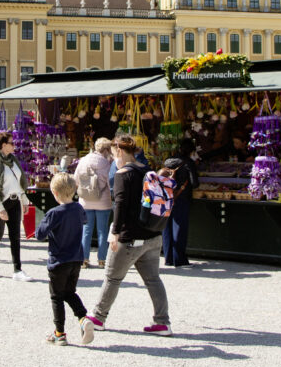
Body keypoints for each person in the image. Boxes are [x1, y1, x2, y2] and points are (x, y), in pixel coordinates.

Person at [85, 134, 172, 337]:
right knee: (153, 280)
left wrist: (114, 232)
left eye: (114, 154)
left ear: (121, 151)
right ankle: (163, 322)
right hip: (152, 235)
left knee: (112, 277)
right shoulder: (147, 170)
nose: (113, 158)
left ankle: (98, 316)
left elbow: (120, 205)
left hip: (131, 236)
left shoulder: (123, 174)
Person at [35, 172, 95, 346]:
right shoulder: (78, 208)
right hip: (76, 258)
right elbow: (83, 222)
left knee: (56, 296)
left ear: (55, 193)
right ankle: (83, 318)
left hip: (59, 259)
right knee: (70, 292)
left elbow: (40, 234)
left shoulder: (54, 213)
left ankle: (59, 333)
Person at [0, 132, 34, 281]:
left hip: (14, 200)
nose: (14, 145)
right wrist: (0, 208)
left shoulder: (14, 161)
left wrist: (24, 201)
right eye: (11, 143)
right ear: (3, 145)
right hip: (1, 202)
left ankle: (17, 269)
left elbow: (19, 183)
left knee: (15, 236)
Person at [74, 137, 113, 268]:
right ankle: (102, 260)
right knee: (103, 231)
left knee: (86, 230)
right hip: (103, 201)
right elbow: (110, 183)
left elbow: (76, 179)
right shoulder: (107, 164)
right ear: (107, 150)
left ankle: (84, 259)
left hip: (86, 200)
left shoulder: (83, 160)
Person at [162, 139, 199, 268]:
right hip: (181, 198)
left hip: (167, 197)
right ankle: (179, 259)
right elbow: (195, 183)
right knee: (179, 228)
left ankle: (168, 258)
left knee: (166, 228)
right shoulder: (189, 163)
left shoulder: (167, 161)